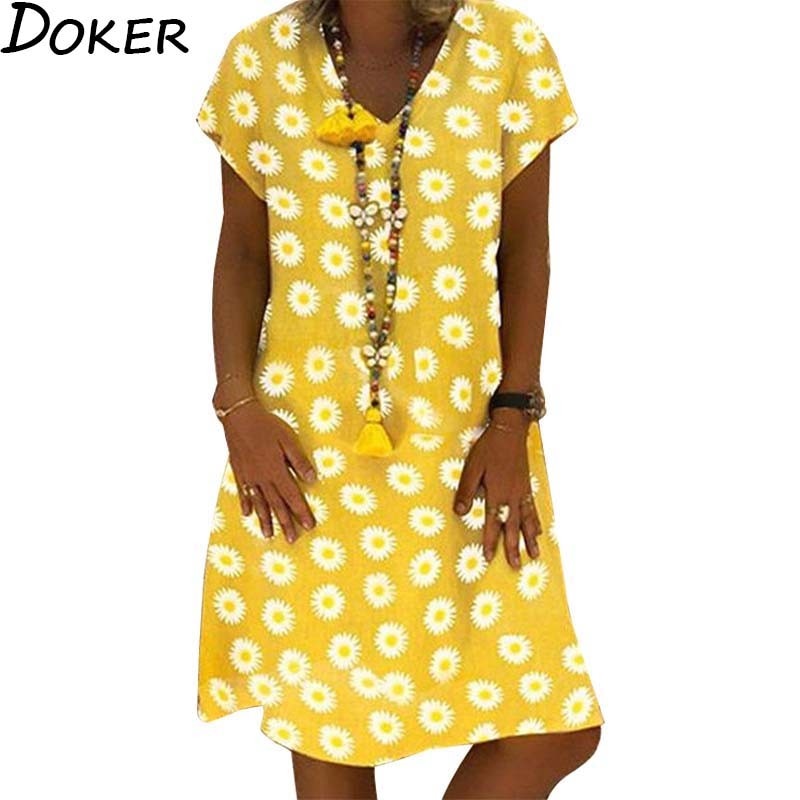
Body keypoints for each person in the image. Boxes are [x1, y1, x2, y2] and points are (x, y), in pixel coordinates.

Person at [195, 0, 605, 796]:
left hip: (469, 449)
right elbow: (242, 251)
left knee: (554, 727)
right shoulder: (261, 58)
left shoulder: (507, 48)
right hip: (303, 452)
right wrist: (237, 409)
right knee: (330, 715)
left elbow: (527, 251)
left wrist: (512, 416)